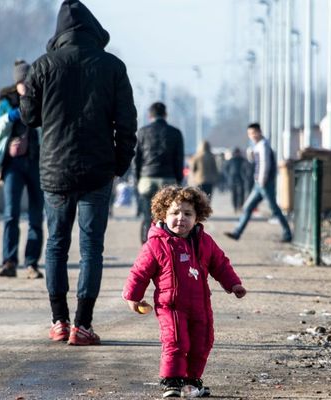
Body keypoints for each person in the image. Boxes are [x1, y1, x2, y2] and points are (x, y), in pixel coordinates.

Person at [20, 0, 137, 345]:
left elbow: (29, 118)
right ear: (93, 29)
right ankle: (83, 325)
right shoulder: (113, 66)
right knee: (91, 249)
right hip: (97, 171)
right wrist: (120, 164)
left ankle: (58, 321)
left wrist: (28, 95)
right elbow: (127, 123)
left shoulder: (42, 67)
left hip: (55, 170)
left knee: (55, 246)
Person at [123, 186, 246, 398]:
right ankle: (172, 380)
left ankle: (191, 381)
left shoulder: (204, 242)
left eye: (188, 214)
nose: (181, 218)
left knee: (203, 341)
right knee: (177, 341)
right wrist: (133, 296)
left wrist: (233, 284)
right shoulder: (156, 244)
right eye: (174, 213)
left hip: (200, 305)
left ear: (198, 216)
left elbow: (220, 264)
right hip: (171, 306)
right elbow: (139, 272)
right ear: (163, 215)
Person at [0, 60, 44, 279]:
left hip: (38, 163)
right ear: (16, 82)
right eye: (21, 80)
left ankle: (31, 263)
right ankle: (9, 261)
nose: (25, 84)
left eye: (27, 79)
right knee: (11, 214)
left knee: (36, 216)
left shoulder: (42, 99)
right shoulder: (7, 102)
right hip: (12, 165)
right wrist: (10, 117)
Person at [224, 123, 292, 243]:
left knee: (274, 209)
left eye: (254, 133)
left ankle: (287, 234)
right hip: (259, 184)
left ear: (260, 132)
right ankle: (237, 232)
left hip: (264, 183)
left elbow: (265, 164)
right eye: (250, 133)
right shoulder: (258, 146)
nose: (252, 135)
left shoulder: (263, 145)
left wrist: (262, 180)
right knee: (247, 207)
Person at [134, 102, 185, 244]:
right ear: (165, 114)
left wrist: (138, 179)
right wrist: (178, 181)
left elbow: (137, 159)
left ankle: (147, 247)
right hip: (168, 178)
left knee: (147, 216)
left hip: (147, 178)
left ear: (150, 115)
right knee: (168, 216)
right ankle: (168, 246)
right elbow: (179, 159)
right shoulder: (175, 133)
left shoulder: (142, 132)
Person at [224, 147, 249, 214]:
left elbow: (247, 168)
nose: (237, 153)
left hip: (241, 179)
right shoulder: (231, 160)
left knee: (241, 193)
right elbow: (225, 169)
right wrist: (228, 176)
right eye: (236, 152)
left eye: (238, 152)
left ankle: (240, 206)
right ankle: (235, 207)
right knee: (234, 194)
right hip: (233, 179)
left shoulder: (243, 160)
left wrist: (245, 176)